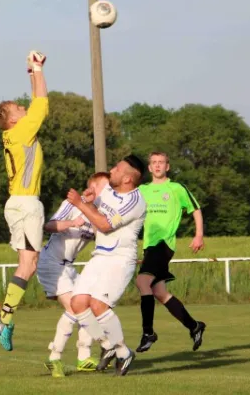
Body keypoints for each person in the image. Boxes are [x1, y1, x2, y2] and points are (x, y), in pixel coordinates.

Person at [0, 50, 49, 351]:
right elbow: (41, 104)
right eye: (17, 107)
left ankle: (6, 317)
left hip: (18, 203)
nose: (22, 107)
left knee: (29, 263)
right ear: (12, 120)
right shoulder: (22, 130)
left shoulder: (15, 132)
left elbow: (35, 102)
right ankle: (4, 318)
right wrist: (36, 69)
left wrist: (32, 75)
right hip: (26, 204)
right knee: (28, 264)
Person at [66, 155, 147, 376]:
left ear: (128, 179)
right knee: (78, 302)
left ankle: (123, 352)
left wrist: (80, 204)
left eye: (117, 168)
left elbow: (104, 224)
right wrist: (91, 201)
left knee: (99, 305)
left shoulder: (135, 201)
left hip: (119, 259)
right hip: (99, 256)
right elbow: (98, 213)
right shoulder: (109, 192)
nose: (112, 170)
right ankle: (109, 345)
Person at [38, 172, 110, 378]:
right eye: (105, 189)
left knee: (87, 305)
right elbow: (49, 226)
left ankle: (84, 357)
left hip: (69, 266)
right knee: (75, 308)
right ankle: (54, 357)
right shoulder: (72, 205)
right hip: (51, 262)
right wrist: (72, 223)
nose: (108, 194)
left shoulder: (99, 214)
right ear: (93, 188)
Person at [135, 151, 206, 353]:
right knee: (159, 292)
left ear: (167, 166)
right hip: (149, 246)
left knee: (142, 282)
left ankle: (148, 332)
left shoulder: (176, 188)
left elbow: (196, 209)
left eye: (161, 163)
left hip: (164, 244)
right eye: (154, 163)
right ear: (149, 168)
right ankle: (194, 326)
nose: (157, 166)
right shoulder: (142, 190)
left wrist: (198, 235)